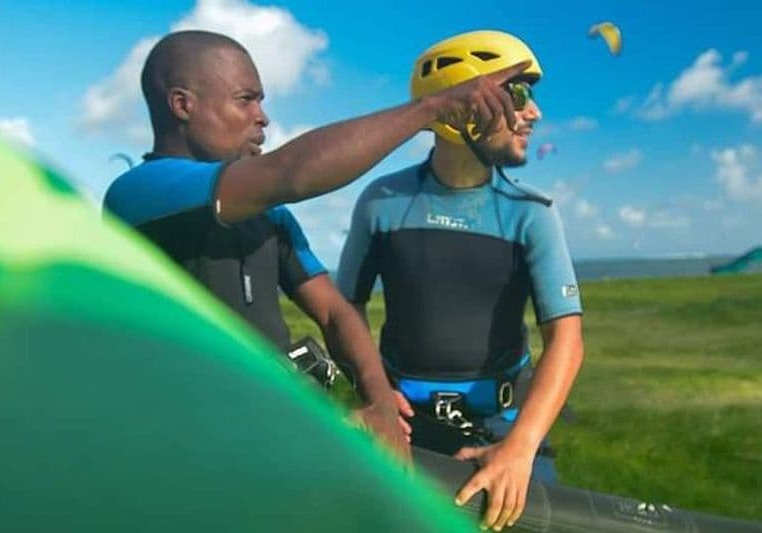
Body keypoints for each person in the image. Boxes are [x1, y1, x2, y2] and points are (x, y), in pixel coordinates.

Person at [103, 30, 528, 463]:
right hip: (179, 456)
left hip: (267, 447)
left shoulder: (269, 218)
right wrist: (432, 108)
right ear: (182, 105)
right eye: (245, 100)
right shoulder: (138, 194)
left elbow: (335, 312)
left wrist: (380, 403)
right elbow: (291, 173)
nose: (262, 117)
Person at [336, 30, 584, 530]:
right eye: (518, 95)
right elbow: (345, 308)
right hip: (402, 426)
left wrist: (520, 447)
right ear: (463, 109)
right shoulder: (381, 201)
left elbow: (567, 339)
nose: (532, 113)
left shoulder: (531, 214)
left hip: (505, 428)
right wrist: (376, 392)